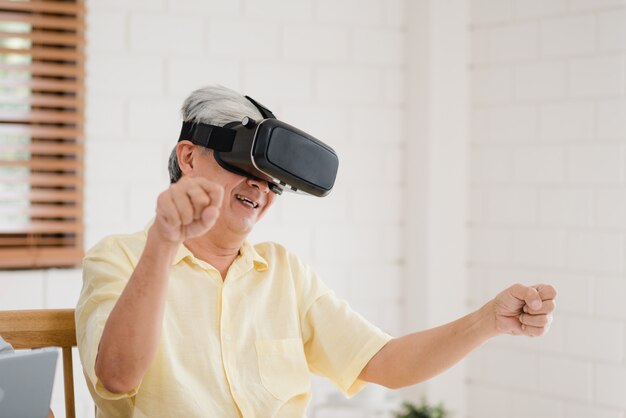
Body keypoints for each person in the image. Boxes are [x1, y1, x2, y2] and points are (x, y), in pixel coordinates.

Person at [75, 85, 557, 418]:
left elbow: (386, 362)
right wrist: (165, 241)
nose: (258, 188)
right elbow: (116, 378)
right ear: (188, 157)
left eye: (272, 180)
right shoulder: (118, 258)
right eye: (244, 165)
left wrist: (488, 320)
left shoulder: (284, 274)